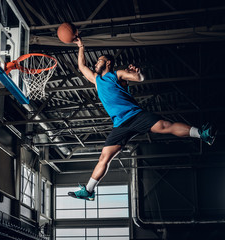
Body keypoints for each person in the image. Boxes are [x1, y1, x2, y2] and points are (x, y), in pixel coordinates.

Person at [68, 37, 216, 201]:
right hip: (120, 125)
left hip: (135, 115)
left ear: (108, 63)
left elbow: (140, 79)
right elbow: (82, 66)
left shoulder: (117, 74)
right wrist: (81, 46)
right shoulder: (97, 80)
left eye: (99, 60)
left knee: (165, 126)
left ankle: (201, 133)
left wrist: (137, 73)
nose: (96, 63)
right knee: (105, 157)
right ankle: (89, 190)